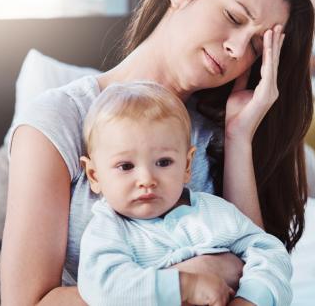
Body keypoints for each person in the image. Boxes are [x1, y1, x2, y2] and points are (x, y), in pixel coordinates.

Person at [1, 0, 314, 304]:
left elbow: (250, 265)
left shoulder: (216, 134)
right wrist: (183, 282)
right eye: (234, 18)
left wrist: (239, 137)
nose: (237, 50)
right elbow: (26, 302)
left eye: (256, 47)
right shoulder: (58, 120)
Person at [77, 81, 292, 306]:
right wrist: (187, 287)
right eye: (126, 166)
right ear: (94, 175)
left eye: (163, 162)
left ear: (187, 165)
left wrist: (251, 298)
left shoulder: (213, 212)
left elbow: (269, 252)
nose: (147, 180)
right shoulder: (108, 230)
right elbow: (103, 287)